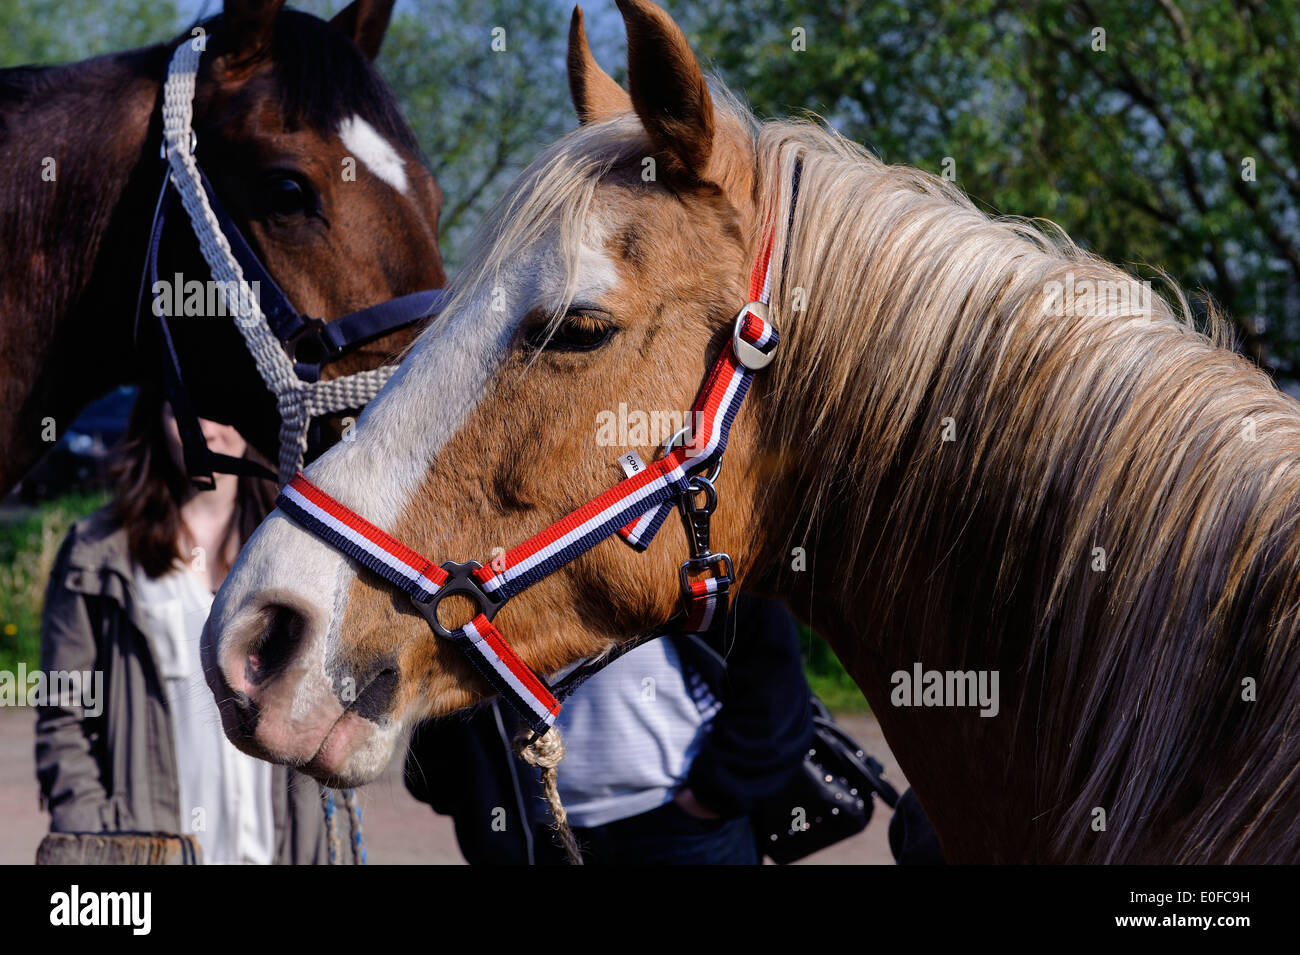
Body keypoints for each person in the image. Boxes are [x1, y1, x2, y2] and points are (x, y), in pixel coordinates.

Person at [35, 384, 328, 864]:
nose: (207, 429)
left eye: (225, 410)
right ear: (156, 419)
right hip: (151, 856)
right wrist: (95, 832)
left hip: (279, 851)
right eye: (190, 409)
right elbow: (62, 711)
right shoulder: (96, 554)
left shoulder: (303, 558)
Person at [405, 593, 815, 865]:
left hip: (686, 830)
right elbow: (434, 673)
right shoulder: (473, 537)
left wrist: (717, 793)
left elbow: (771, 670)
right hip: (532, 839)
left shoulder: (672, 510)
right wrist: (469, 797)